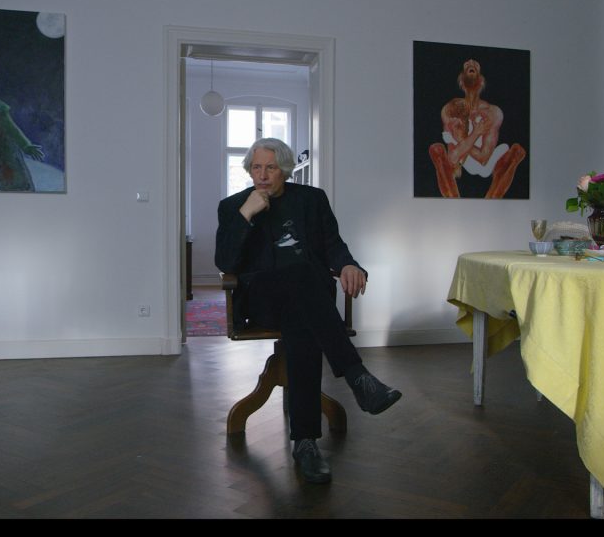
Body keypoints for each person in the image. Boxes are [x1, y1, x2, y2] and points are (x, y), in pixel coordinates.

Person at [215, 137, 402, 484]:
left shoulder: (312, 200)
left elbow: (333, 245)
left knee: (302, 320)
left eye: (271, 168)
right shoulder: (233, 206)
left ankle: (306, 445)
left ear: (285, 170)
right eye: (256, 167)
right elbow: (226, 262)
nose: (262, 175)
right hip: (262, 301)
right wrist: (246, 215)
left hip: (307, 301)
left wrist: (348, 265)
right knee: (302, 279)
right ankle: (358, 378)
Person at [428, 59, 526, 198]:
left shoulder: (493, 112)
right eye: (467, 65)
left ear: (481, 81)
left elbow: (483, 157)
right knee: (436, 150)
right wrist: (474, 133)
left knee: (516, 151)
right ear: (461, 81)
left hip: (484, 163)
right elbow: (453, 159)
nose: (471, 62)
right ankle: (453, 203)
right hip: (460, 164)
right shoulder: (450, 110)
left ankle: (491, 200)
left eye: (475, 66)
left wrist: (462, 139)